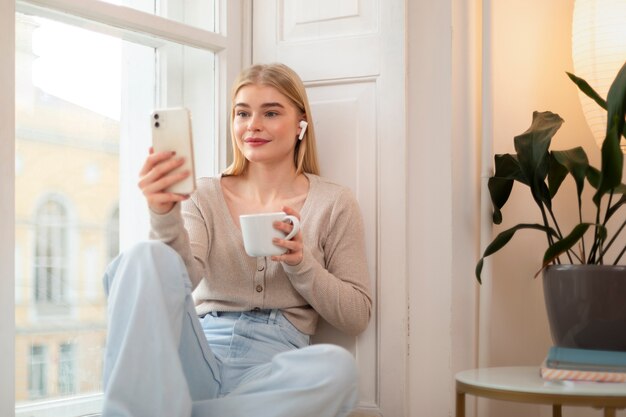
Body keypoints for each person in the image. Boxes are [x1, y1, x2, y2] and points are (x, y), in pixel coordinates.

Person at [102, 63, 372, 417]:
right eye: (242, 113)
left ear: (301, 123)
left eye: (271, 113)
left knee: (338, 369)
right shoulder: (204, 195)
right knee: (142, 257)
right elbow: (179, 279)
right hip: (197, 354)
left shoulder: (334, 202)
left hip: (272, 368)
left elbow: (356, 315)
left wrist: (300, 263)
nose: (252, 125)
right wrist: (163, 213)